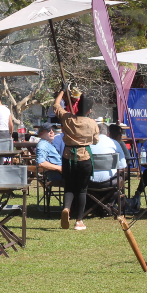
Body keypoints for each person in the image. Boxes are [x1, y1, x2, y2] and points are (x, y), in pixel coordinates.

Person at [54, 90, 98, 231]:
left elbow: (56, 106)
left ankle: (66, 208)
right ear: (90, 110)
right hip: (84, 157)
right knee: (82, 190)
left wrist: (62, 91)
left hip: (68, 157)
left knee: (69, 187)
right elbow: (96, 141)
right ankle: (79, 221)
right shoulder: (92, 123)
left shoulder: (67, 118)